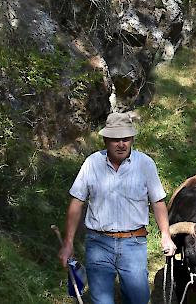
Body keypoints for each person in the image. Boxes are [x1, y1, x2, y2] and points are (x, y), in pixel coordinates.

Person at [58, 112, 176, 304]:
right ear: (106, 140)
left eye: (126, 139)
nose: (121, 144)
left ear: (132, 139)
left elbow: (157, 201)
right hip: (98, 243)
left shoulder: (145, 164)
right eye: (115, 139)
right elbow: (76, 202)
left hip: (133, 243)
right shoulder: (92, 163)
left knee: (139, 298)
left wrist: (165, 235)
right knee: (102, 301)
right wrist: (68, 242)